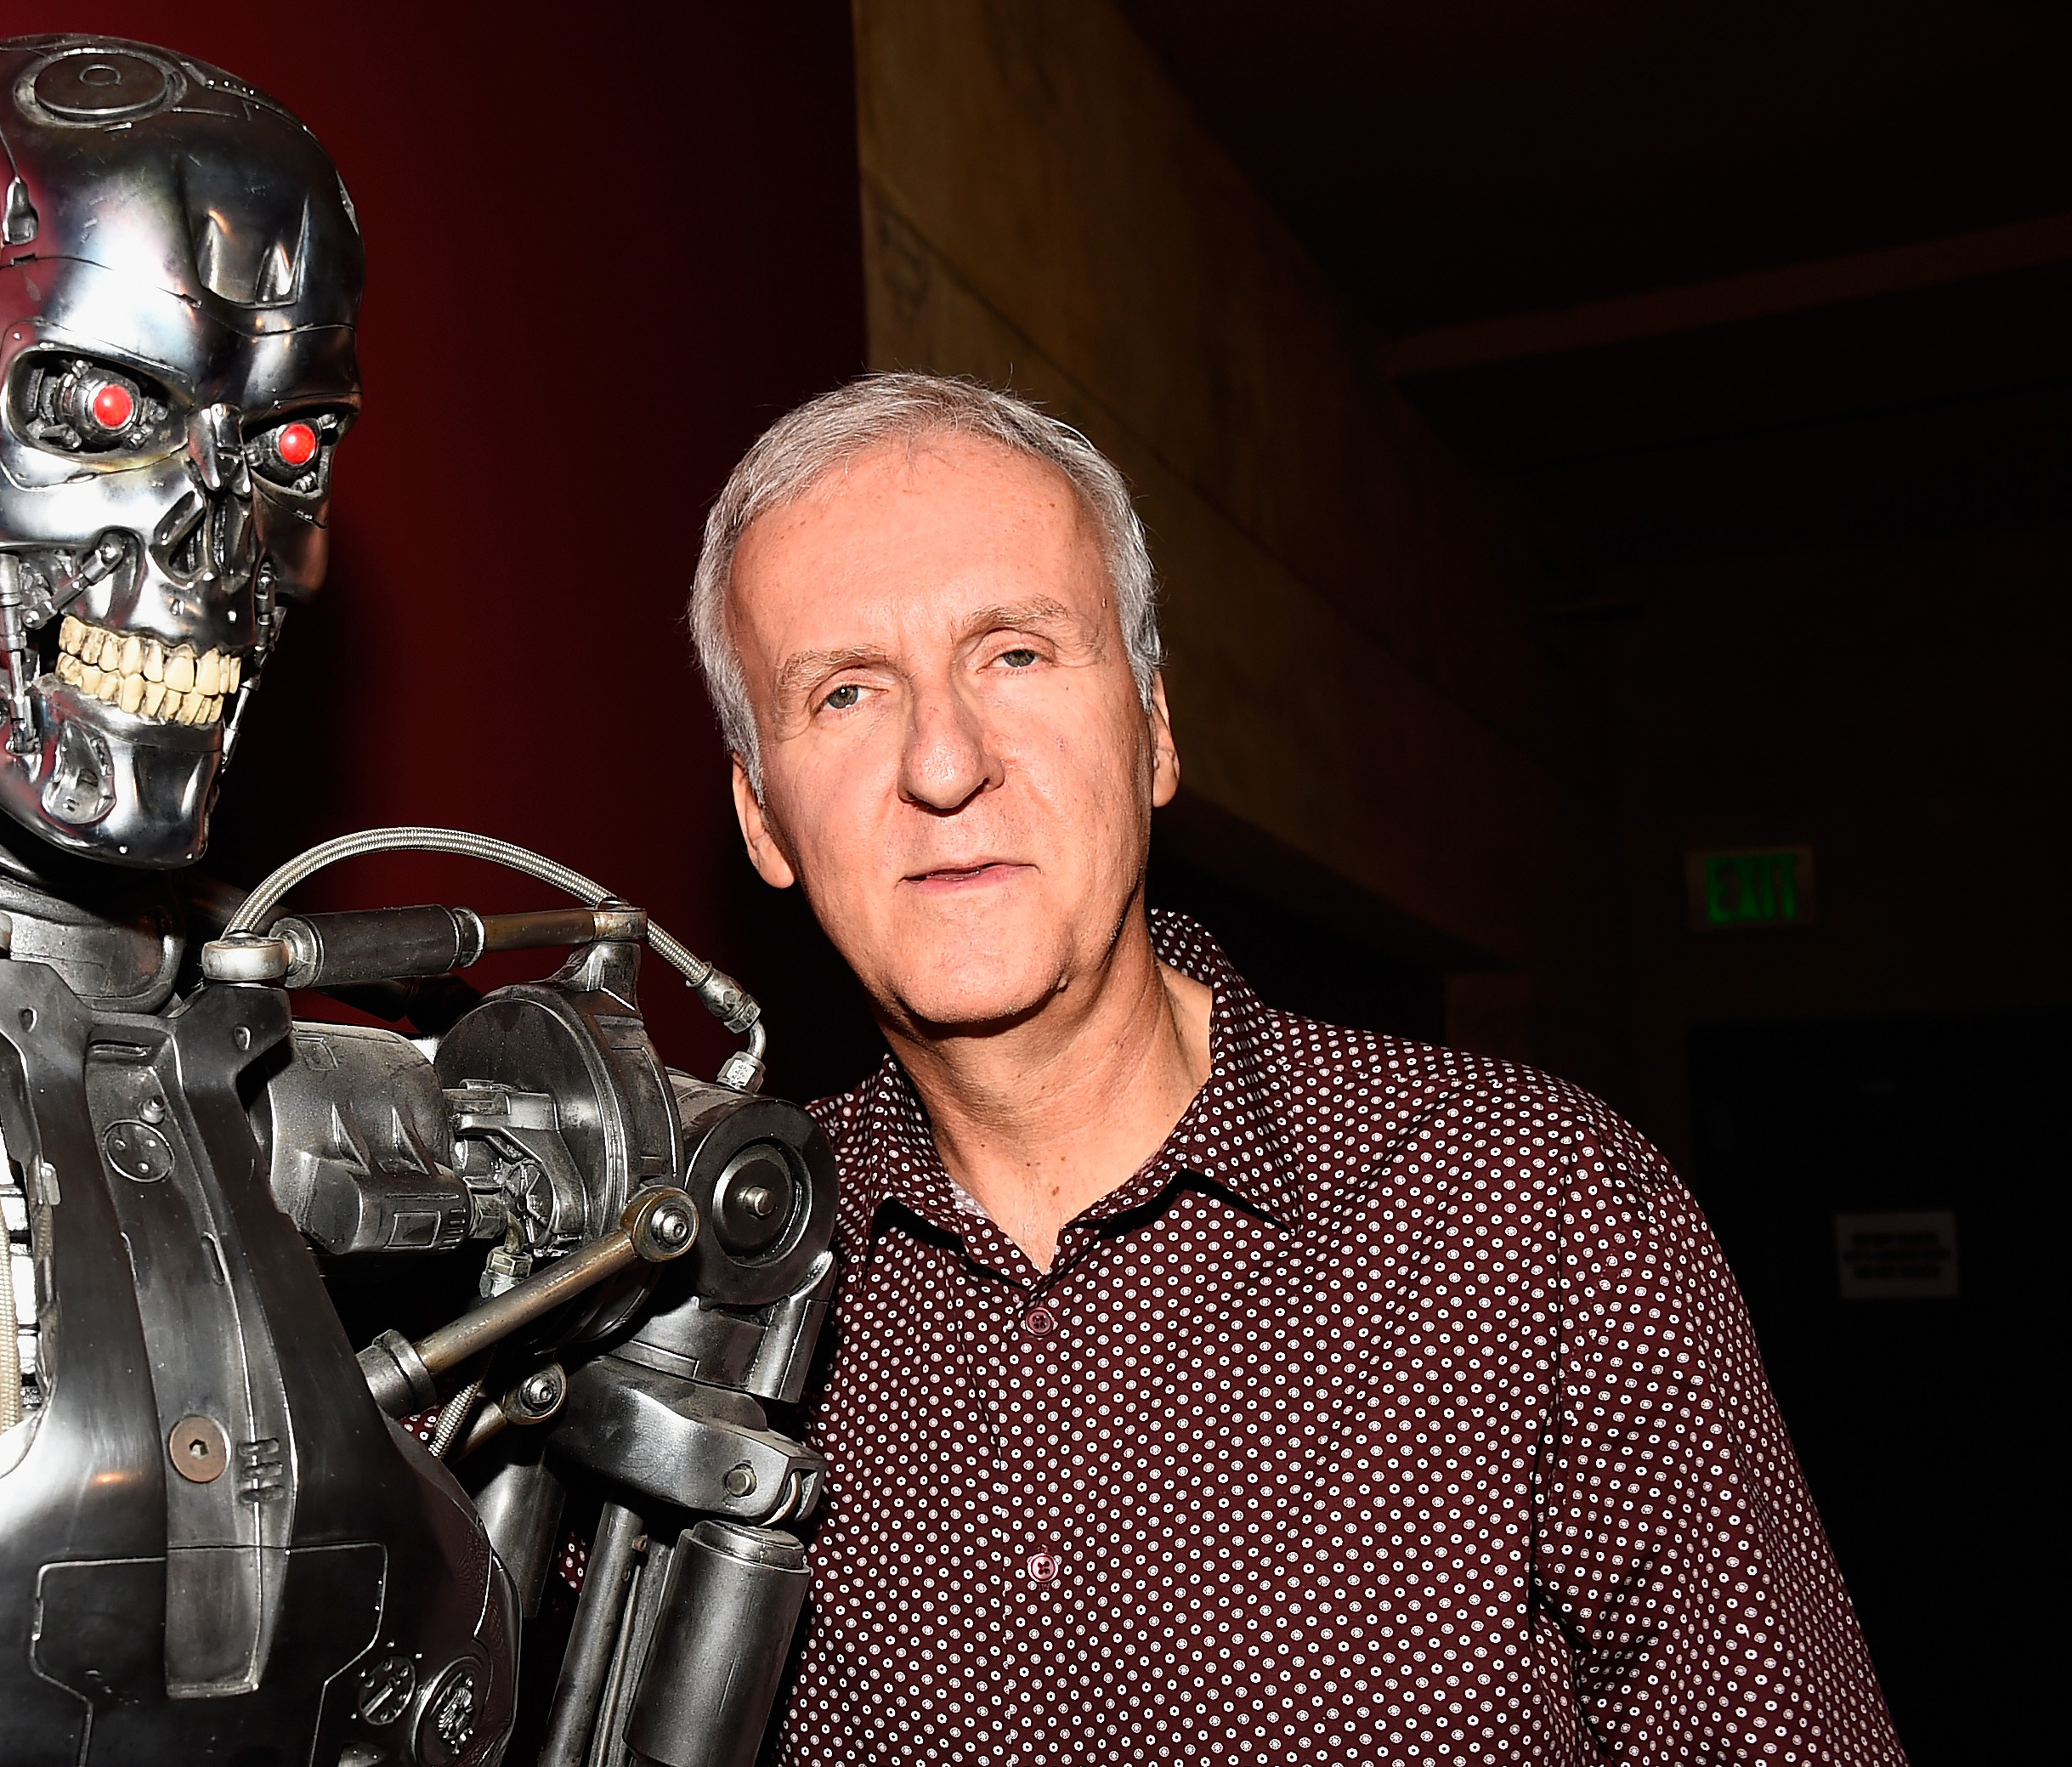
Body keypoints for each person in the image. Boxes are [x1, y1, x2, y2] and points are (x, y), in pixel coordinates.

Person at [688, 373, 1901, 1762]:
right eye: (845, 692)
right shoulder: (686, 1303)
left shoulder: (1544, 1215)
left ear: (1152, 727)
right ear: (762, 815)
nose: (946, 761)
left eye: (1016, 654)